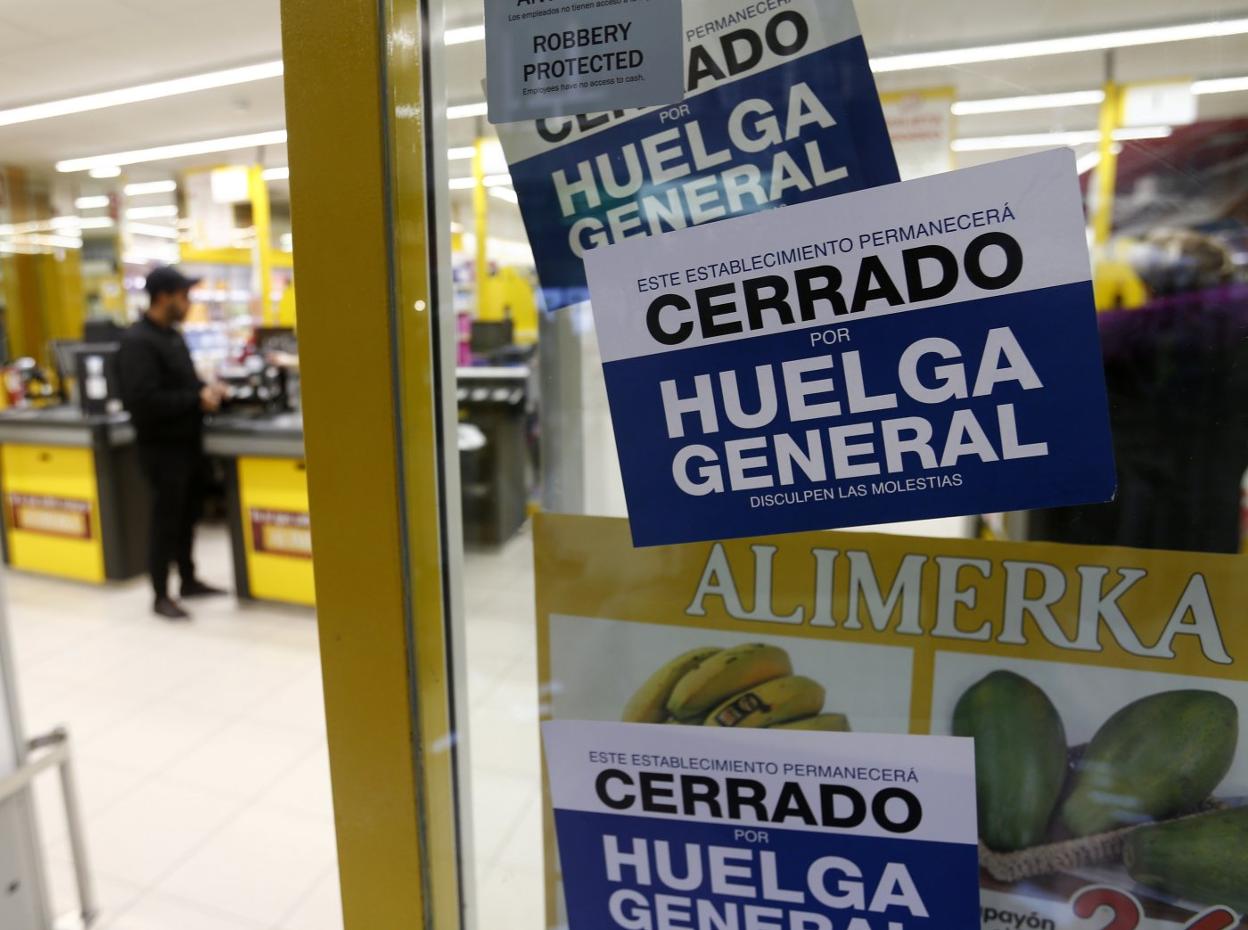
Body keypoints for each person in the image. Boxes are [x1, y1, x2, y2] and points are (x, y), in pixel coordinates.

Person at [119, 266, 229, 619]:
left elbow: (186, 384)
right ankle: (160, 595)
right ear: (164, 296)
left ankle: (189, 580)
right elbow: (143, 402)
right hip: (161, 450)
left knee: (187, 517)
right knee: (165, 522)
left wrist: (207, 392)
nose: (189, 302)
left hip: (187, 445)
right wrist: (194, 400)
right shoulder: (138, 343)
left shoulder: (173, 336)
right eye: (184, 295)